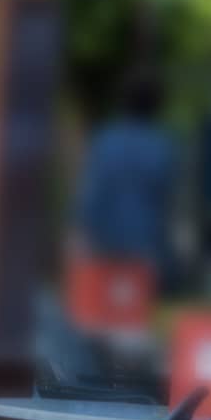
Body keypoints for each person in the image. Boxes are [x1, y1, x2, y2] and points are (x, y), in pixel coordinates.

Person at [74, 74, 179, 286]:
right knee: (133, 303)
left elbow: (91, 192)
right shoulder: (163, 147)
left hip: (102, 238)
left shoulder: (105, 140)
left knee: (100, 306)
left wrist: (81, 230)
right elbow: (165, 199)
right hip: (143, 239)